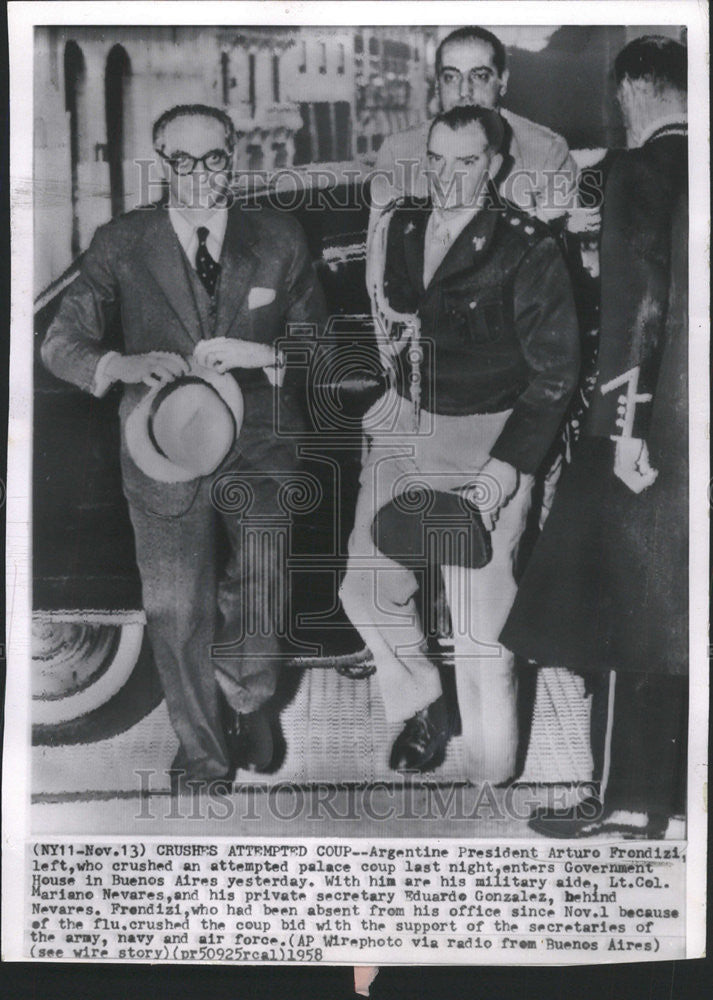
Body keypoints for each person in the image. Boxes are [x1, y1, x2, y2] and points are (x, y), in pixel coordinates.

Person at [42, 104, 327, 793]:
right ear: (161, 162)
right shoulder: (121, 242)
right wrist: (120, 366)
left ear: (235, 156)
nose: (200, 176)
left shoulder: (280, 237)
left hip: (259, 440)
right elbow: (60, 343)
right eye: (182, 161)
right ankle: (202, 752)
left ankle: (250, 699)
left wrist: (264, 352)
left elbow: (325, 350)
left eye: (215, 159)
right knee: (176, 607)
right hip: (159, 444)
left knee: (260, 589)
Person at [340, 106, 581, 781]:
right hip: (406, 427)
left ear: (495, 166)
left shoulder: (526, 247)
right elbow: (382, 329)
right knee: (365, 587)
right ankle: (422, 705)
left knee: (481, 630)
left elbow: (555, 374)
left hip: (489, 437)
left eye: (466, 162)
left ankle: (490, 764)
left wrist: (501, 476)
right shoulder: (401, 227)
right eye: (437, 159)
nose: (447, 177)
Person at [500, 36, 688, 837]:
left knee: (616, 608)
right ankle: (666, 795)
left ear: (631, 95)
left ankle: (616, 794)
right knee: (677, 613)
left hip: (646, 429)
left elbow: (638, 309)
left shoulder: (637, 173)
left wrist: (627, 427)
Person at [368, 26, 580, 232]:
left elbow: (551, 256)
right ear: (437, 85)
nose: (464, 92)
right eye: (451, 77)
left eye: (479, 76)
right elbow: (383, 251)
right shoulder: (398, 152)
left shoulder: (547, 153)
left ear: (503, 81)